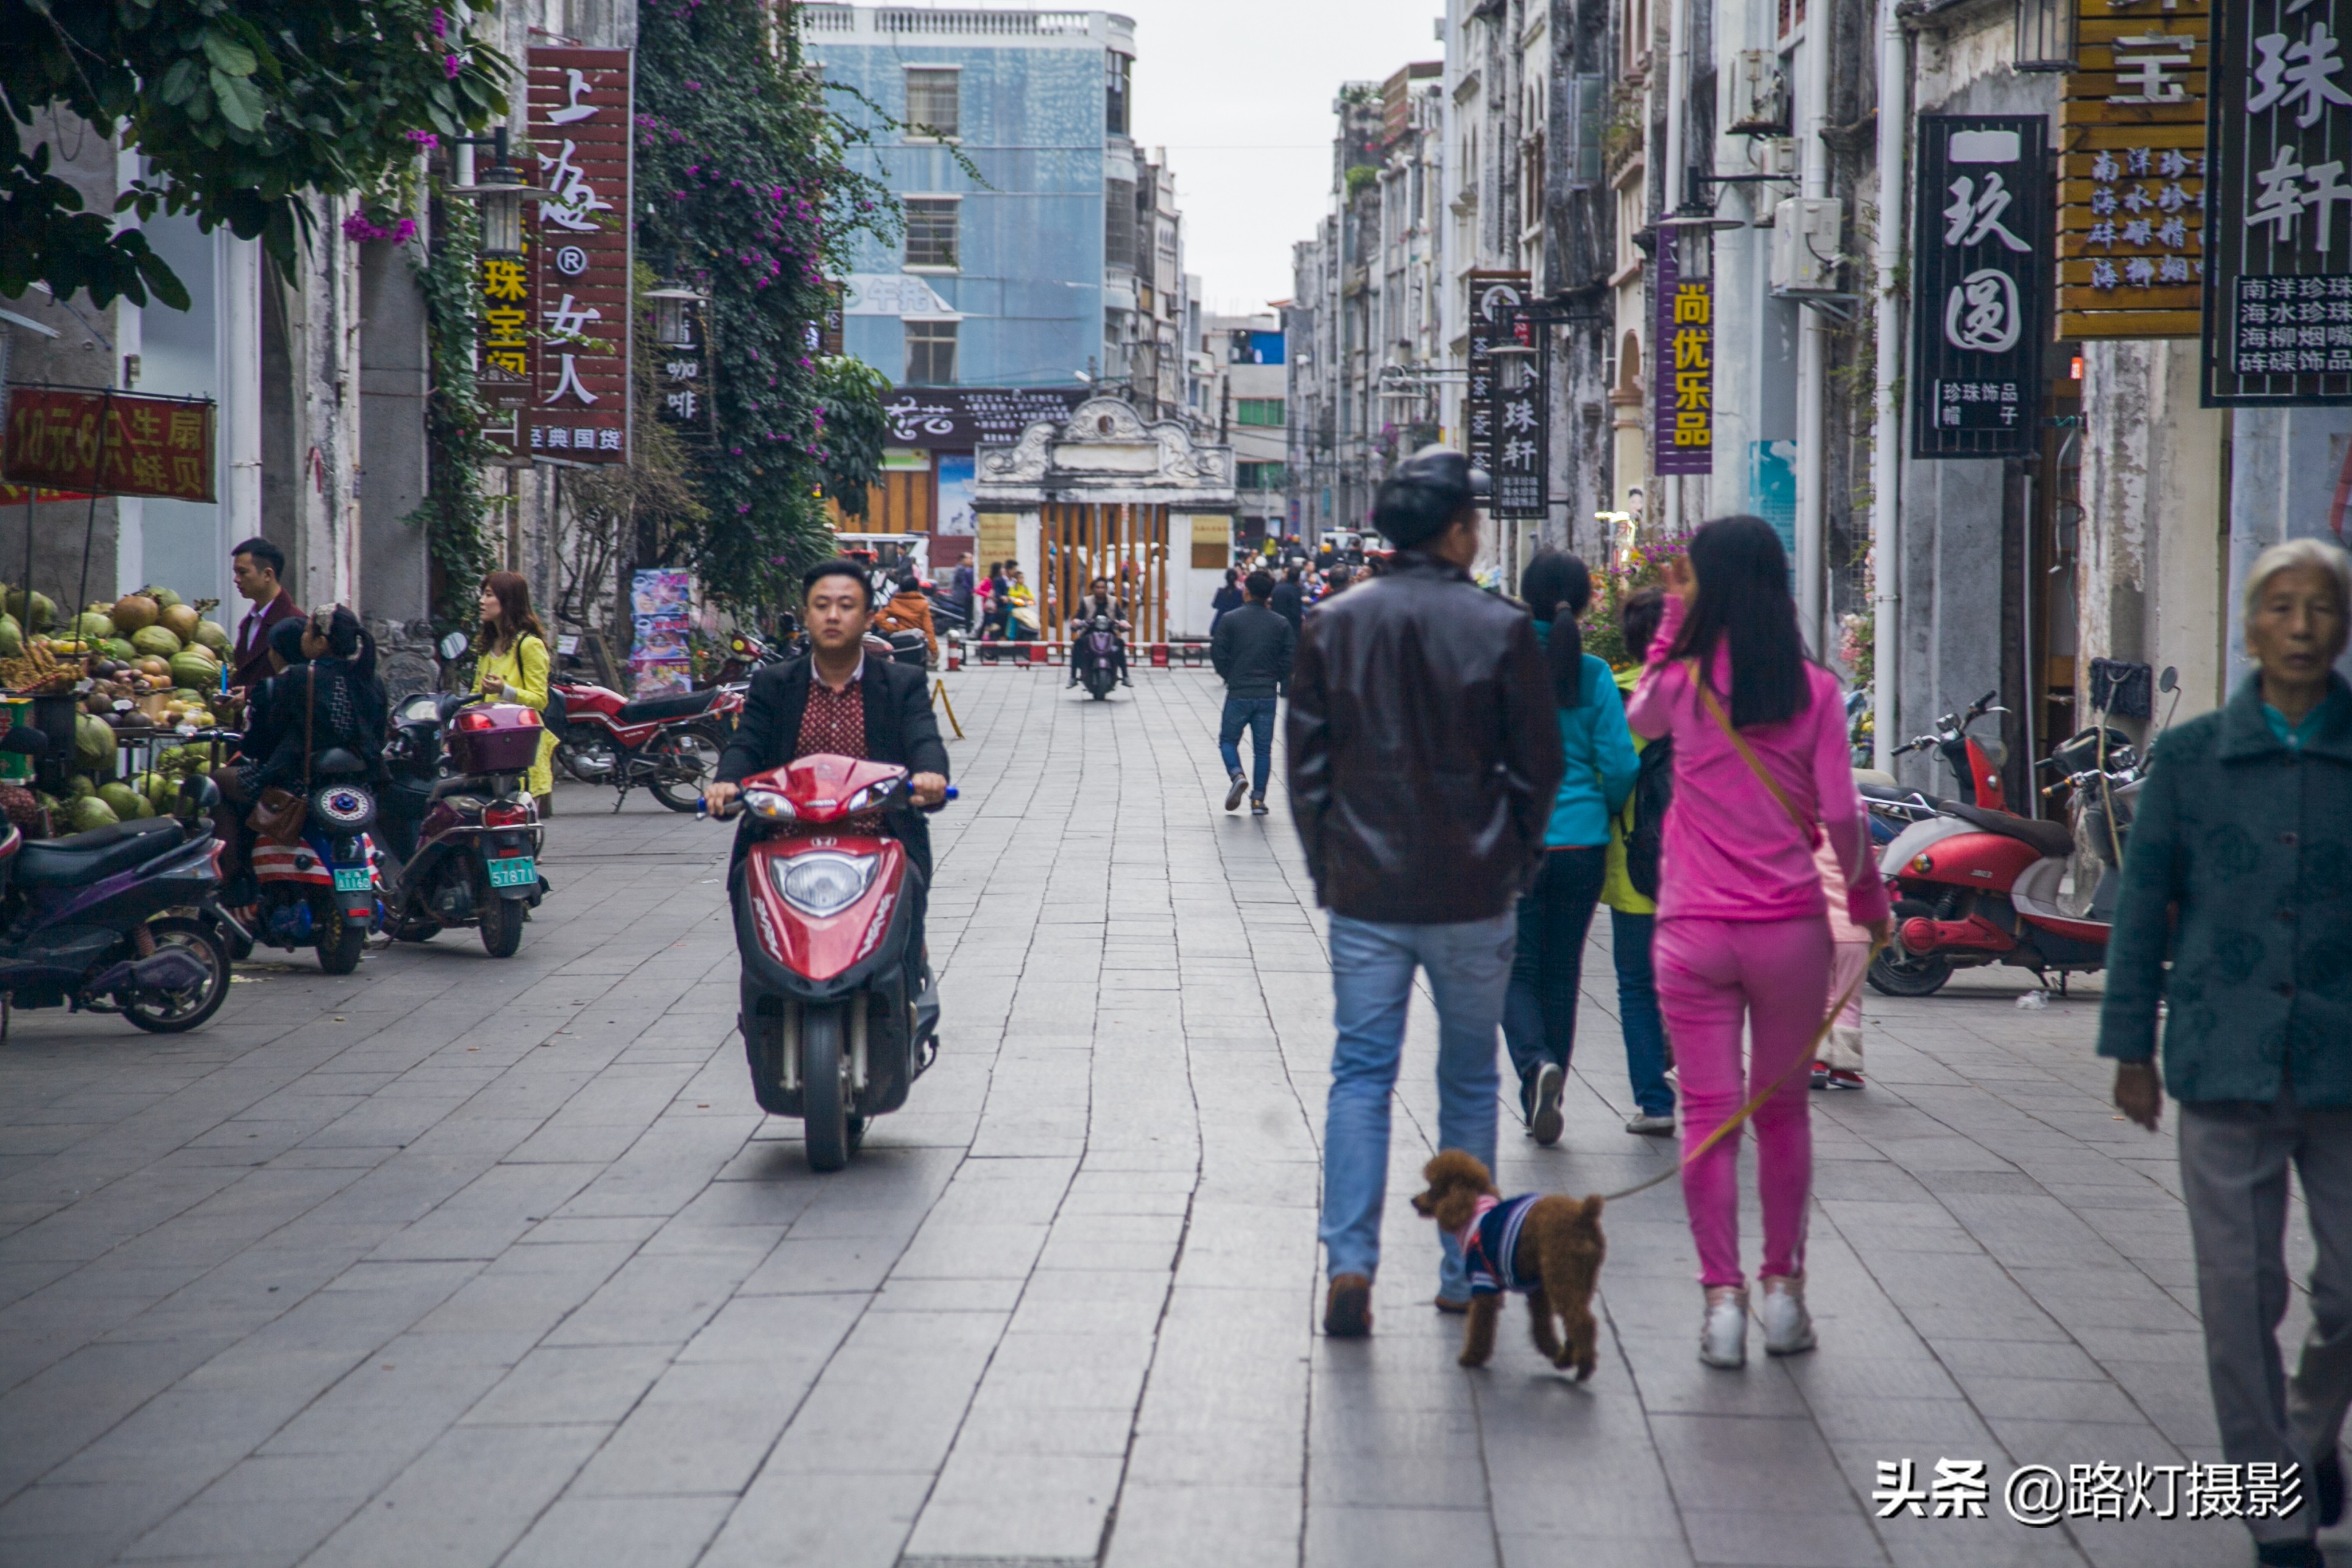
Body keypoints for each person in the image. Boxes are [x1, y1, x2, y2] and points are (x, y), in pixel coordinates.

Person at [2101, 538, 2352, 1568]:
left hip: (2342, 1062)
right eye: (2280, 607)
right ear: (2248, 627)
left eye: (2321, 608)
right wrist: (2129, 1045)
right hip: (2220, 1055)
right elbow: (2141, 906)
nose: (2301, 626)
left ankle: (2305, 1432)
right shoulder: (2194, 757)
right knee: (2236, 1295)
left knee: (2348, 1286)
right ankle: (2274, 1511)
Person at [1287, 446, 1564, 1338]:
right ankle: (1465, 1265)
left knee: (1360, 1076)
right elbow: (1538, 767)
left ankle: (1351, 1261)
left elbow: (1306, 767)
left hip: (1368, 891)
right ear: (1454, 530)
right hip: (1474, 890)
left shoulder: (1334, 621)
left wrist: (1329, 865)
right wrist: (1515, 858)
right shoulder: (1500, 625)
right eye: (1473, 521)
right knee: (1469, 1082)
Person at [1624, 515, 1888, 1371]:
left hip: (1692, 932)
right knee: (1781, 1115)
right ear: (1777, 585)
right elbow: (1843, 815)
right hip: (1786, 932)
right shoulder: (1812, 689)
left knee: (1707, 1117)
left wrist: (1672, 619)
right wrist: (1868, 898)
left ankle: (1720, 1302)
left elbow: (1643, 715)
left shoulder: (1684, 681)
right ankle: (1783, 1293)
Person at [708, 560, 950, 987]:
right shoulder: (773, 684)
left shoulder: (902, 684)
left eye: (846, 605)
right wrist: (727, 781)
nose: (833, 616)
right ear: (806, 615)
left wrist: (930, 775)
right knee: (745, 887)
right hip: (783, 841)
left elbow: (923, 738)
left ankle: (908, 991)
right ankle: (762, 999)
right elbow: (747, 744)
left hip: (879, 838)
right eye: (822, 605)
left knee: (910, 891)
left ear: (869, 616)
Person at [1502, 551, 1639, 1150]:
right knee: (1563, 970)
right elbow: (1619, 765)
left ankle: (1536, 1067)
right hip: (1583, 845)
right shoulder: (1595, 674)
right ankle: (1549, 1078)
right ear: (1584, 602)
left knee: (1510, 970)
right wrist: (1601, 808)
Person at [1600, 587, 1676, 1136]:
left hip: (1636, 864)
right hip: (1710, 871)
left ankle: (1654, 1103)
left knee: (1635, 982)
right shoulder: (1717, 699)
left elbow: (1614, 776)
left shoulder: (1622, 695)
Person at [1211, 569, 1294, 816]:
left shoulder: (1230, 619)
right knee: (1263, 750)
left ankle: (1237, 774)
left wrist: (1230, 675)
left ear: (1246, 590)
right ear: (1269, 595)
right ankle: (1258, 800)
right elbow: (1290, 658)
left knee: (1228, 740)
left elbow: (1218, 653)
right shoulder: (1280, 623)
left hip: (1238, 692)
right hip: (1267, 694)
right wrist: (1276, 678)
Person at [471, 571, 556, 812]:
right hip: (490, 749)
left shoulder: (529, 645)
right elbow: (476, 695)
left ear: (507, 601)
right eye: (483, 595)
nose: (482, 601)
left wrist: (504, 690)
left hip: (521, 749)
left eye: (489, 595)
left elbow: (540, 700)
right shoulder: (488, 647)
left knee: (520, 829)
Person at [1810, 841, 1870, 1090]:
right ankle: (1844, 1068)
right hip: (1855, 935)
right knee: (1848, 1000)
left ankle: (1816, 1063)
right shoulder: (1859, 845)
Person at [228, 536, 304, 702]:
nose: (236, 580)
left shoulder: (295, 624)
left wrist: (252, 695)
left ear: (268, 574)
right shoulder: (250, 622)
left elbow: (301, 685)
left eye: (243, 572)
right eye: (236, 573)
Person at [1068, 577, 1132, 688]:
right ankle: (1073, 677)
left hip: (1109, 632)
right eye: (1097, 587)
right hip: (1089, 632)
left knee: (1120, 645)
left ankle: (1126, 676)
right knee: (1077, 645)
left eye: (1103, 587)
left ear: (1107, 589)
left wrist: (1123, 622)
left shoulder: (1113, 601)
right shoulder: (1086, 601)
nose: (1100, 590)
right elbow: (1078, 616)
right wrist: (1077, 622)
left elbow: (1121, 615)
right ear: (1093, 589)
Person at [875, 568, 939, 666]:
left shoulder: (895, 602)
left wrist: (894, 629)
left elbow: (878, 618)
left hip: (900, 640)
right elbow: (928, 628)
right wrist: (934, 650)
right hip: (916, 641)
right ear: (917, 588)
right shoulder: (922, 604)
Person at [1271, 563, 1305, 641]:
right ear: (1298, 578)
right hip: (1290, 626)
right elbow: (1295, 611)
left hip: (1276, 623)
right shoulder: (1296, 590)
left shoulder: (1277, 588)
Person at [1210, 568, 1245, 635]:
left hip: (1220, 620)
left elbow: (1214, 605)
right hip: (1235, 621)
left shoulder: (1221, 591)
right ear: (1236, 578)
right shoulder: (1240, 593)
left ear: (1226, 578)